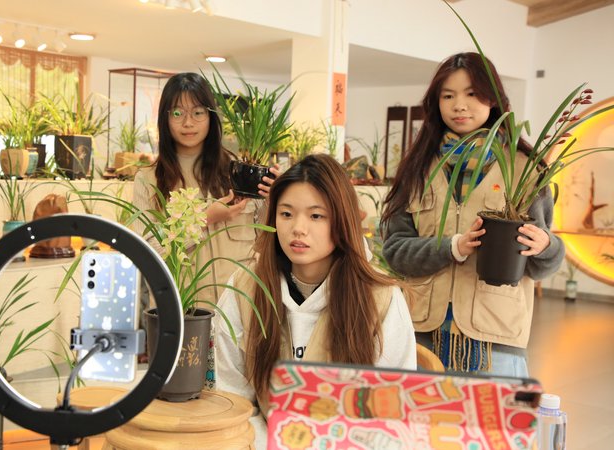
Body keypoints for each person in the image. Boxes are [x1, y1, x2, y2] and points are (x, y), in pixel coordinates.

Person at [381, 52, 565, 377]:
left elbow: (540, 266)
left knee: (490, 412)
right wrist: (452, 247)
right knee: (422, 411)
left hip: (495, 337)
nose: (459, 106)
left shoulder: (524, 169)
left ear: (493, 99)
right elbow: (395, 251)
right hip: (421, 330)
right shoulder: (417, 168)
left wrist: (546, 246)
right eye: (448, 96)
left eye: (472, 94)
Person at [215, 154, 416, 449]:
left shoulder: (379, 297)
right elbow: (234, 402)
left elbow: (392, 411)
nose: (298, 228)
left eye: (316, 216)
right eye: (286, 214)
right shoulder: (245, 288)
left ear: (342, 220)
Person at [131, 72, 278, 387]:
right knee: (181, 398)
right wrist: (202, 219)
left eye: (198, 112)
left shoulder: (239, 173)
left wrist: (274, 196)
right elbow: (145, 252)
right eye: (178, 113)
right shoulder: (148, 180)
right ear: (165, 118)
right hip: (181, 315)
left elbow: (267, 239)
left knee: (239, 399)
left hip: (238, 314)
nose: (188, 122)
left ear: (211, 117)